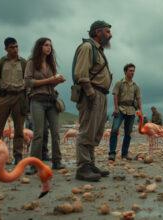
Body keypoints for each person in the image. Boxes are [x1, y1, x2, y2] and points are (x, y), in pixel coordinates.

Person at [73, 20, 112, 181]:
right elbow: (81, 73)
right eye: (107, 32)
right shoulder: (87, 48)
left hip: (101, 94)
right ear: (98, 32)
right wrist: (90, 94)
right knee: (87, 129)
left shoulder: (98, 50)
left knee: (95, 131)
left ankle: (90, 164)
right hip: (92, 93)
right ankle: (83, 167)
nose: (110, 35)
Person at [24, 37, 66, 175]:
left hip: (51, 100)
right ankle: (34, 165)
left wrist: (57, 81)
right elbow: (29, 82)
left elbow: (50, 84)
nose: (49, 48)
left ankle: (57, 161)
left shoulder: (50, 63)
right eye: (46, 45)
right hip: (37, 100)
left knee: (55, 132)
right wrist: (50, 79)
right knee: (38, 134)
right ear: (40, 47)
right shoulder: (31, 63)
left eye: (50, 46)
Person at [0, 37, 27, 165]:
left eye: (16, 46)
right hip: (4, 97)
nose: (15, 49)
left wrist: (26, 97)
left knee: (19, 129)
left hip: (19, 97)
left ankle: (18, 156)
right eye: (12, 47)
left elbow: (27, 81)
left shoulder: (24, 63)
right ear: (6, 48)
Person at [108, 63, 142, 161]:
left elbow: (139, 98)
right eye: (130, 70)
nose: (132, 72)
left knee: (128, 133)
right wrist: (115, 108)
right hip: (120, 109)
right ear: (125, 71)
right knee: (114, 130)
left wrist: (140, 111)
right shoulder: (119, 83)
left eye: (133, 71)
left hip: (131, 111)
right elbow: (115, 95)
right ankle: (112, 153)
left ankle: (124, 153)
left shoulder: (136, 86)